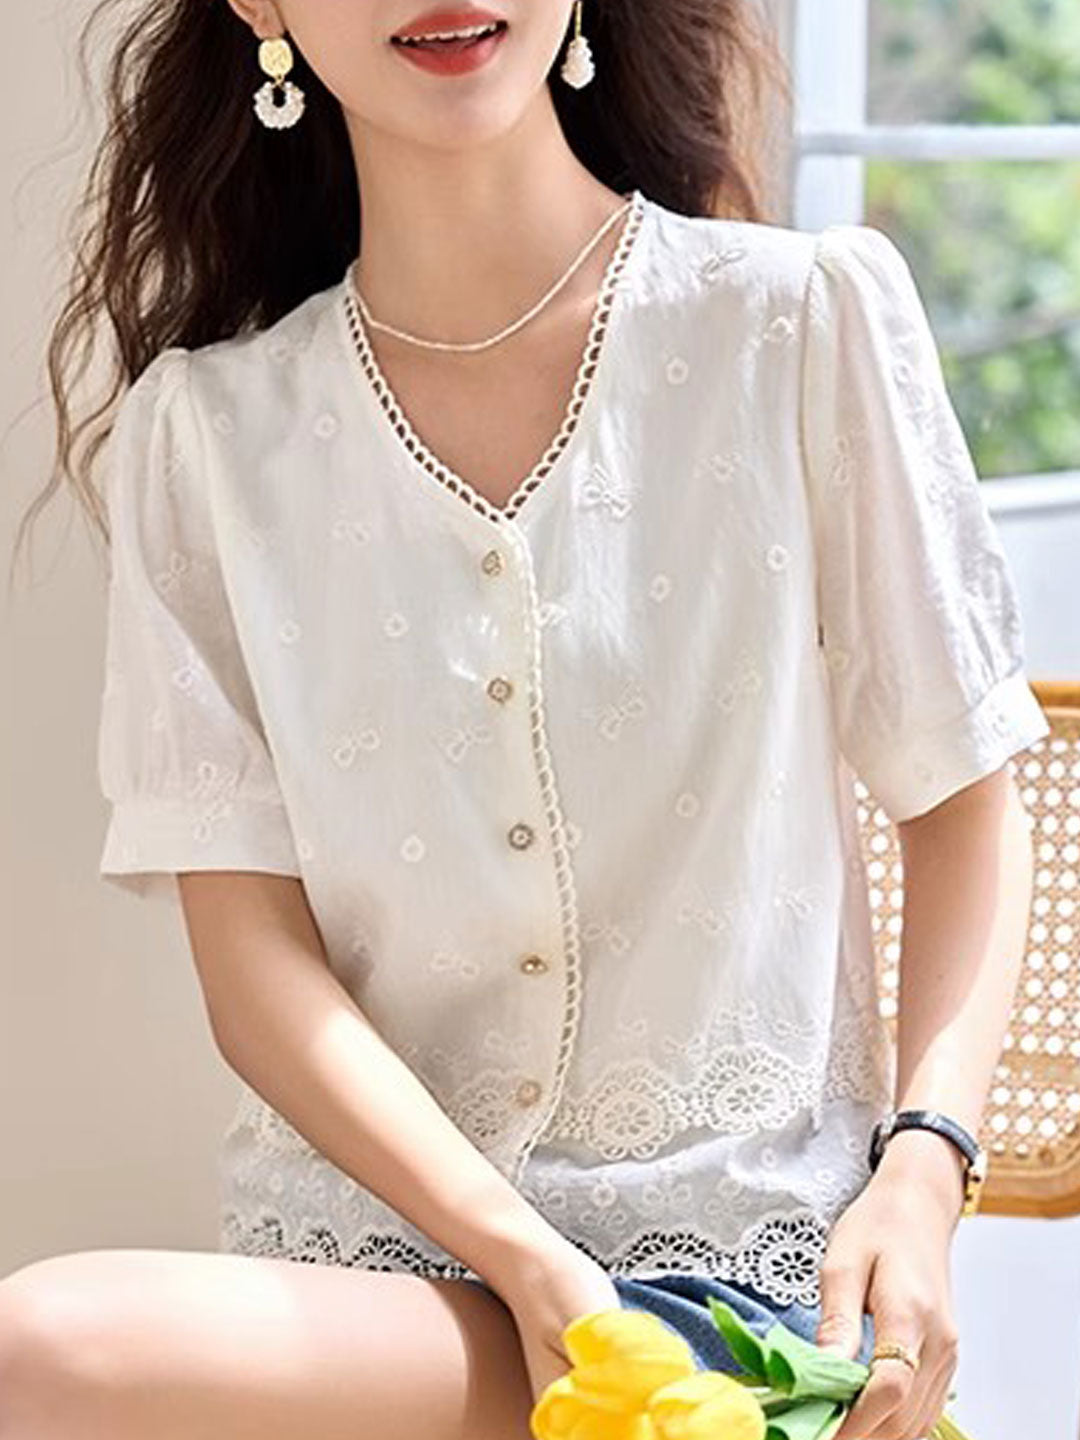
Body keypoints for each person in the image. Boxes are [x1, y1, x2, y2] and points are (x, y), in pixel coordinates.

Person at [0, 1, 1050, 1437]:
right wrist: (524, 1260)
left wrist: (923, 1172)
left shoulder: (799, 323)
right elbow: (254, 966)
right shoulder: (206, 440)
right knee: (44, 1351)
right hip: (373, 1278)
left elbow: (963, 801)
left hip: (742, 1294)